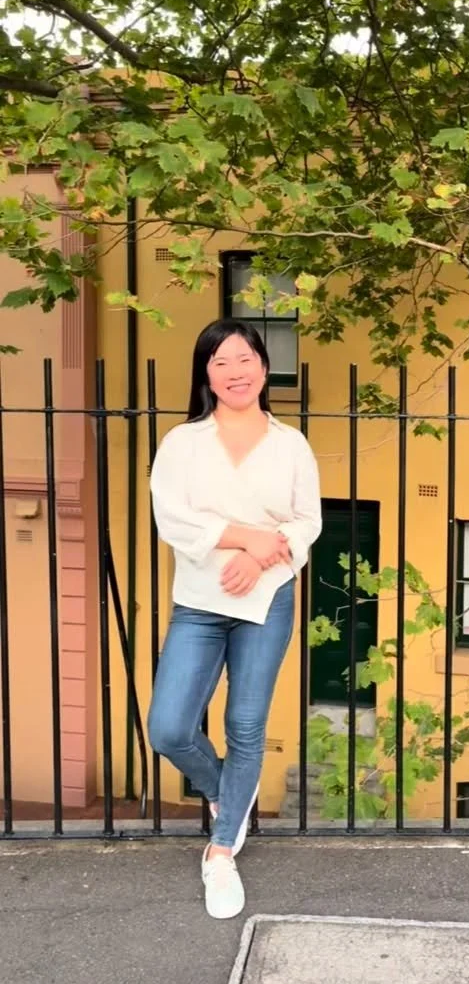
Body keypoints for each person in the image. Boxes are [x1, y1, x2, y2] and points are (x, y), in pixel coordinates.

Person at [147, 317, 322, 919]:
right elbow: (173, 520)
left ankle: (221, 851)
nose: (235, 371)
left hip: (266, 600)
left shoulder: (290, 444)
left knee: (246, 725)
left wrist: (260, 558)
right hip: (200, 602)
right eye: (220, 361)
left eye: (244, 358)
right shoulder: (182, 443)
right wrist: (248, 538)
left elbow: (307, 520)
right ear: (207, 374)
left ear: (264, 368)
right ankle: (228, 793)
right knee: (169, 728)